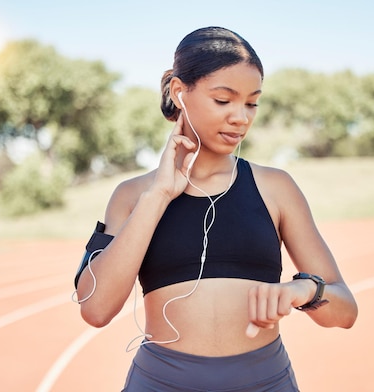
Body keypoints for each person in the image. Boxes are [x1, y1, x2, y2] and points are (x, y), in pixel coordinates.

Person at [74, 26, 358, 391]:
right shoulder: (132, 195)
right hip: (161, 383)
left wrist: (302, 291)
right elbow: (95, 309)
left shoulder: (276, 188)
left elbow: (345, 310)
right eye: (223, 100)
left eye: (252, 102)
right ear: (179, 92)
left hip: (266, 382)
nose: (241, 117)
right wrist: (159, 194)